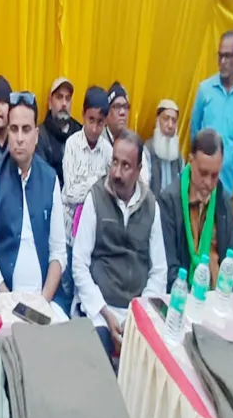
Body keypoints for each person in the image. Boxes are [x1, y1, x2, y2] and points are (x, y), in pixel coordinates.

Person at [71, 131, 167, 367]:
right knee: (96, 363)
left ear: (138, 169)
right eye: (114, 162)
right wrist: (105, 312)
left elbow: (159, 271)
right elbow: (79, 264)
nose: (116, 172)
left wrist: (138, 315)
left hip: (137, 310)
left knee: (152, 366)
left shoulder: (151, 206)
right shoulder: (96, 198)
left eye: (125, 166)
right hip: (100, 309)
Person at [0, 91, 65, 301]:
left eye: (26, 130)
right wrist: (9, 303)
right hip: (2, 298)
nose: (20, 138)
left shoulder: (50, 180)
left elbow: (58, 252)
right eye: (14, 129)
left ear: (36, 134)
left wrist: (43, 302)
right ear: (7, 132)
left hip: (45, 299)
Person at [158, 129, 233, 290]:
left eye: (215, 175)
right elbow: (168, 267)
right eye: (203, 173)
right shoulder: (170, 201)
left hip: (218, 299)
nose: (208, 183)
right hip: (182, 296)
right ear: (191, 161)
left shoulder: (223, 202)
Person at [189, 30, 233, 196]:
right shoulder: (205, 90)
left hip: (227, 181)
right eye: (220, 56)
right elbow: (194, 130)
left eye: (229, 56)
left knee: (222, 221)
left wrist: (228, 156)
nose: (223, 62)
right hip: (201, 182)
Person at [60, 85, 113, 229]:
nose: (95, 128)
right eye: (91, 120)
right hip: (68, 228)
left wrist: (85, 189)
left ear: (106, 121)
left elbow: (109, 194)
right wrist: (97, 182)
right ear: (83, 114)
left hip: (94, 228)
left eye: (100, 122)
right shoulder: (72, 144)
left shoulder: (108, 151)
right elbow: (70, 194)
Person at [105, 81, 150, 190]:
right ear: (107, 112)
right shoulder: (98, 141)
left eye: (125, 107)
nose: (122, 112)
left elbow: (144, 183)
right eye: (117, 107)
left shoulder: (135, 144)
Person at [36, 77, 80, 188]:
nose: (64, 103)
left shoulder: (80, 133)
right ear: (50, 103)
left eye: (68, 98)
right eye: (59, 97)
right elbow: (43, 178)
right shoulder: (41, 135)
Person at [146, 99, 183, 197]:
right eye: (166, 119)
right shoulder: (147, 150)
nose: (170, 125)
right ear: (158, 120)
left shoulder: (179, 156)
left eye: (174, 121)